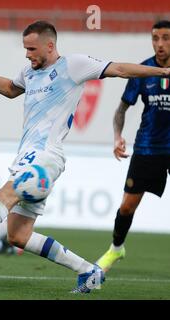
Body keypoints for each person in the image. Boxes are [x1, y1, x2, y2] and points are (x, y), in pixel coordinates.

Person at [0, 20, 170, 293]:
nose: (27, 54)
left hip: (46, 155)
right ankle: (88, 271)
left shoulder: (73, 65)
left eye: (32, 48)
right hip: (27, 154)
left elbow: (119, 69)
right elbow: (10, 89)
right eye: (25, 48)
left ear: (50, 45)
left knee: (5, 193)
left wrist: (163, 70)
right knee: (18, 235)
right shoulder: (30, 72)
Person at [96, 20, 170, 272]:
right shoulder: (143, 71)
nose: (160, 44)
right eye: (155, 38)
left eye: (166, 38)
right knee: (127, 206)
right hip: (148, 148)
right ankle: (116, 249)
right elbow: (121, 109)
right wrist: (117, 136)